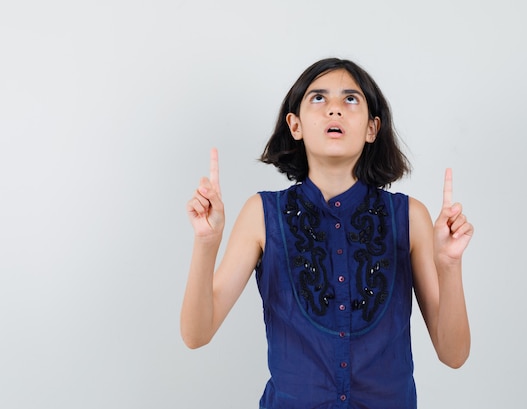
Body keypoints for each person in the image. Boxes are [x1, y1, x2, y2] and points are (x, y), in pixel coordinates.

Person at [181, 58, 473, 409]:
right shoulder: (262, 214)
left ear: (371, 128)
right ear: (295, 124)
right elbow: (196, 334)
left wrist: (450, 264)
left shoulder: (410, 217)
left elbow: (453, 354)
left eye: (351, 99)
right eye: (318, 99)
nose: (334, 109)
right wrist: (206, 243)